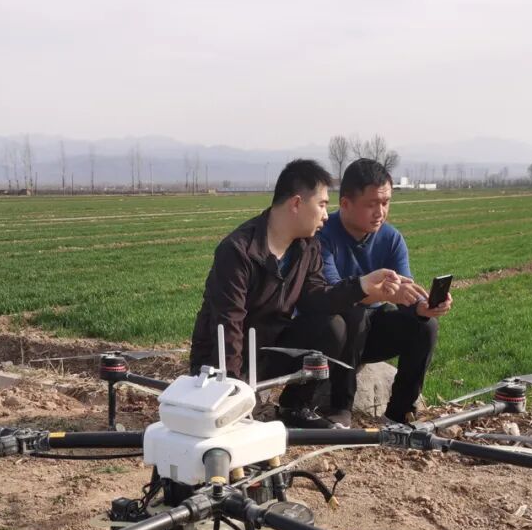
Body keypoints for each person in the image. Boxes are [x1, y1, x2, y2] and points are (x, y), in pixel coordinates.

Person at [188, 159, 420, 428]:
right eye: (321, 204)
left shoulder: (307, 247)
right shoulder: (238, 251)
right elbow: (228, 324)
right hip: (223, 361)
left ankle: (295, 406)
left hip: (272, 347)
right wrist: (234, 392)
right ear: (297, 204)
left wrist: (362, 286)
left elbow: (318, 298)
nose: (326, 215)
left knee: (332, 326)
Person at [315, 158, 452, 426]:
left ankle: (399, 414)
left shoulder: (391, 239)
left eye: (386, 202)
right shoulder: (323, 236)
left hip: (371, 331)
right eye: (371, 204)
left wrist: (423, 307)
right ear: (345, 204)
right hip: (331, 334)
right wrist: (384, 295)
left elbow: (404, 292)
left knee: (425, 327)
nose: (380, 212)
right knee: (352, 313)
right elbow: (334, 295)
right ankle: (340, 408)